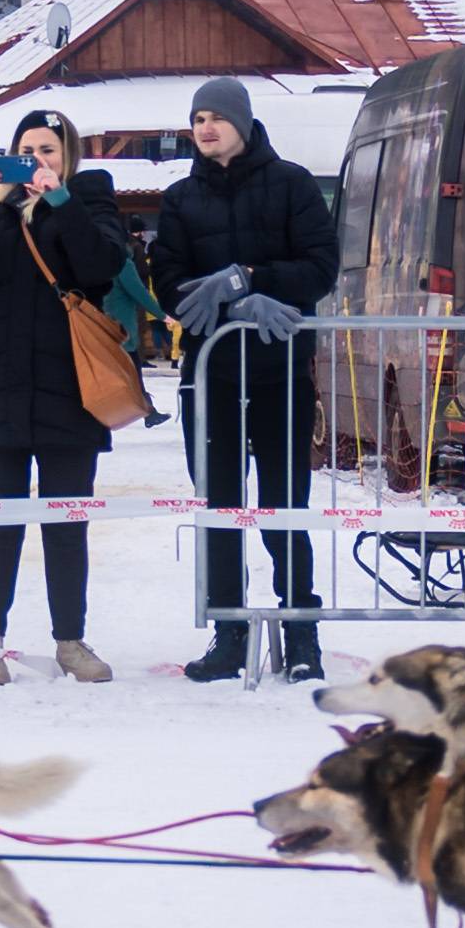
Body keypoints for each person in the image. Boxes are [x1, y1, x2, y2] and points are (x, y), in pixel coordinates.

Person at [0, 108, 137, 683]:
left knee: (66, 521)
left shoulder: (90, 201)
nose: (38, 161)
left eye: (48, 150)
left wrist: (60, 201)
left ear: (67, 156)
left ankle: (70, 640)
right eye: (28, 150)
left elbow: (101, 266)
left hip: (71, 386)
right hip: (0, 386)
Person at [152, 72, 338, 682]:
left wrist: (252, 278)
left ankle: (300, 632)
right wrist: (234, 307)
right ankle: (229, 632)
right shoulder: (180, 199)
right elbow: (170, 284)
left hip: (280, 371)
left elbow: (320, 268)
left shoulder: (292, 185)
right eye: (197, 118)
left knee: (286, 505)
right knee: (220, 506)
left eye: (216, 117)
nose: (205, 128)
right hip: (211, 376)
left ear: (245, 122)